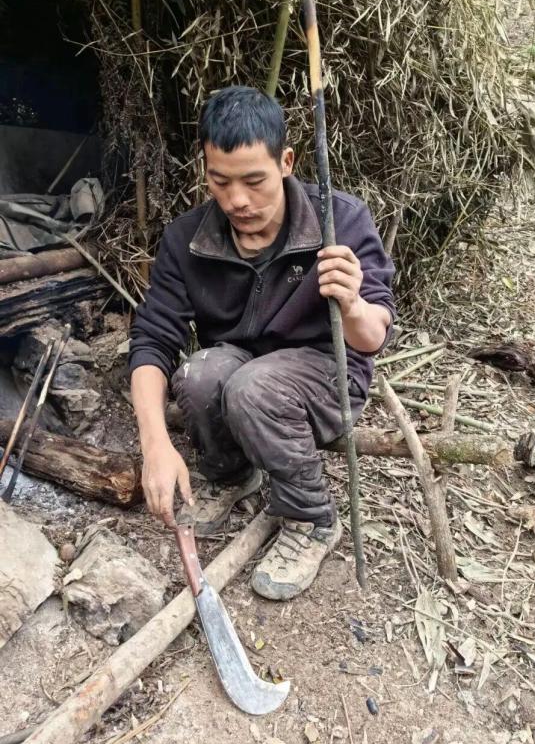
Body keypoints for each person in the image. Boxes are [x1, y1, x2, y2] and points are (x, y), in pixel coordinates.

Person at [129, 86, 395, 600]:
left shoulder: (339, 220)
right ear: (205, 169)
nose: (237, 200)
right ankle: (232, 474)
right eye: (220, 181)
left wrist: (353, 304)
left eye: (254, 181)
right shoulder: (188, 238)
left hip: (327, 374)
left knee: (253, 388)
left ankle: (311, 517)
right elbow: (152, 339)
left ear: (286, 162)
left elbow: (372, 338)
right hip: (243, 368)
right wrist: (155, 443)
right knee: (199, 374)